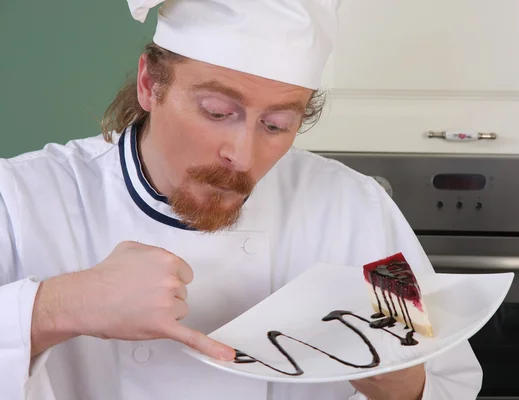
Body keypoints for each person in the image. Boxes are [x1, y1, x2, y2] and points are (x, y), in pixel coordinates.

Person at [0, 0, 483, 399]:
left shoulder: (352, 210)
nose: (242, 154)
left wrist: (406, 387)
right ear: (150, 84)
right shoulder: (23, 200)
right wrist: (56, 306)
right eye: (217, 112)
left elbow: (450, 382)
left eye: (276, 126)